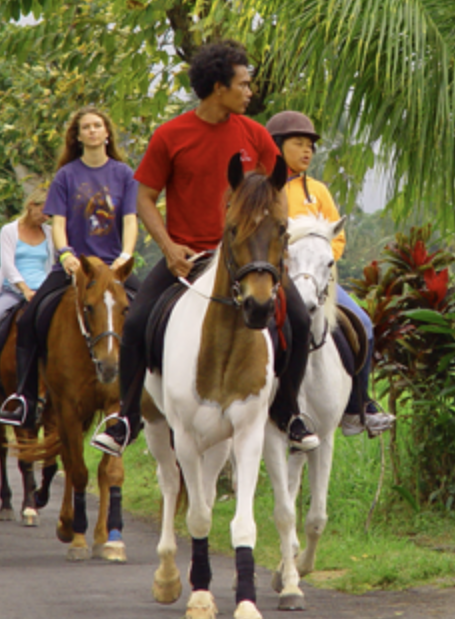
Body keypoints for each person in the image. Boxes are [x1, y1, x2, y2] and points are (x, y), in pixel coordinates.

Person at [91, 40, 319, 457]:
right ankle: (126, 418)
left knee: (299, 321)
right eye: (244, 84)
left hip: (246, 260)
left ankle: (287, 411)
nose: (250, 92)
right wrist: (169, 246)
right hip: (188, 259)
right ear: (218, 87)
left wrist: (273, 236)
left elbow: (277, 187)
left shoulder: (255, 134)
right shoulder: (170, 135)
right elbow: (144, 199)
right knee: (138, 321)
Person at [0, 107, 140, 429]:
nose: (92, 131)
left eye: (97, 125)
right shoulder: (65, 176)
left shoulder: (124, 174)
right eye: (85, 127)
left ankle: (148, 398)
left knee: (147, 314)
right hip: (74, 267)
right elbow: (59, 224)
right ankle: (25, 397)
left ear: (107, 133)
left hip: (114, 268)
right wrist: (64, 254)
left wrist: (126, 254)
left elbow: (130, 221)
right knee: (32, 318)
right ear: (77, 136)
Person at [264, 110, 394, 437]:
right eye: (298, 143)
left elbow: (337, 237)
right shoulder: (264, 189)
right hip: (276, 278)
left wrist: (320, 262)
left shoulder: (318, 191)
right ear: (277, 147)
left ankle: (357, 407)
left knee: (362, 323)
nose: (307, 150)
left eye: (310, 145)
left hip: (317, 280)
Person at [0, 188, 53, 414]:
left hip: (42, 293)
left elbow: (52, 265)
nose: (47, 216)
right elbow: (7, 265)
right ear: (31, 205)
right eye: (44, 210)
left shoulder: (50, 233)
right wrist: (24, 289)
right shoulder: (9, 230)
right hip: (13, 291)